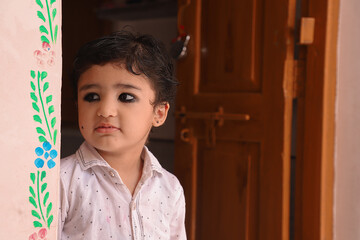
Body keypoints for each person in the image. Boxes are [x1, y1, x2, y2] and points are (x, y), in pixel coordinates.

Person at [58, 30, 186, 240]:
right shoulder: (61, 181)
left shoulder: (170, 189)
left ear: (159, 113)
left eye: (126, 97)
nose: (105, 110)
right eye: (92, 96)